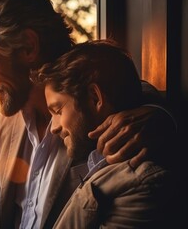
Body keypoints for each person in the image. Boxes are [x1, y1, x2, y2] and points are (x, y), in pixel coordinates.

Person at [0, 0, 176, 228]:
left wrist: (162, 116)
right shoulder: (3, 122)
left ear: (28, 47)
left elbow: (133, 91)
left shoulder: (107, 113)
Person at [35, 39, 175, 228]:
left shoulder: (142, 185)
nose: (54, 128)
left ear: (95, 98)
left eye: (58, 111)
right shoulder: (96, 163)